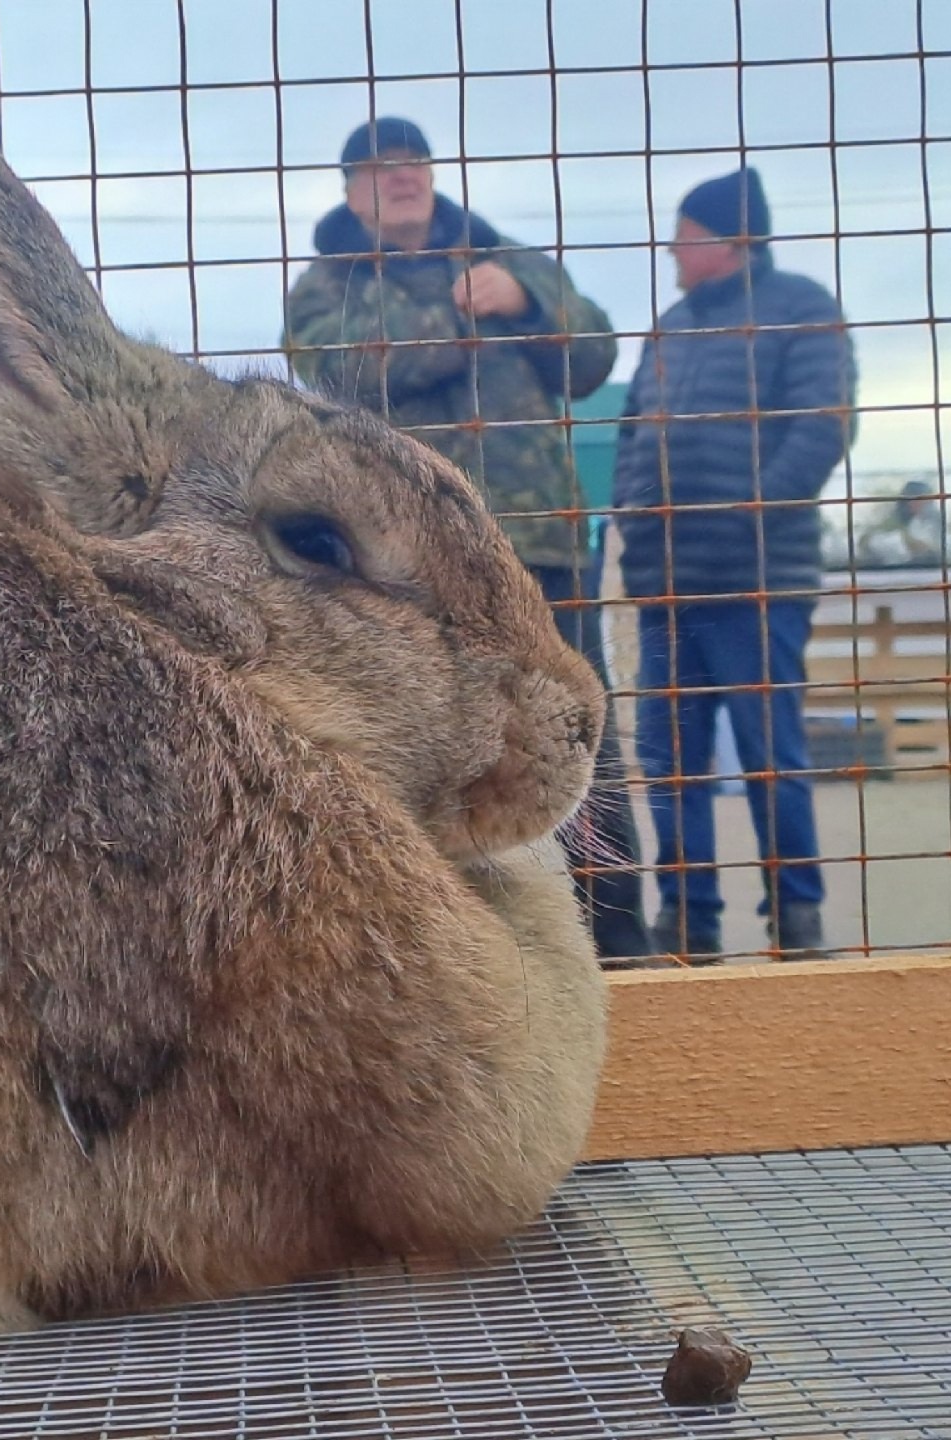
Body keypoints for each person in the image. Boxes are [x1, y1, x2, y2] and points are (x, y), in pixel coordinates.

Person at [282, 119, 654, 960]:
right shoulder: (329, 283)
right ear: (351, 189)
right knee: (430, 739)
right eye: (381, 168)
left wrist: (524, 303)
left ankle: (624, 939)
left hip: (543, 540)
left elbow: (593, 351)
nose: (403, 178)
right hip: (411, 568)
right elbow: (339, 368)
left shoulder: (507, 260)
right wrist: (458, 324)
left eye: (413, 163)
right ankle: (447, 951)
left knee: (577, 734)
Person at [613, 166, 856, 959]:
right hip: (666, 586)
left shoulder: (802, 311)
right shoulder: (670, 327)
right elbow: (630, 437)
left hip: (757, 582)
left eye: (683, 236)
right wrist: (634, 514)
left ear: (729, 240)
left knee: (769, 755)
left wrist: (749, 511)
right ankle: (689, 914)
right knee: (671, 761)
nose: (673, 252)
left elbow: (822, 430)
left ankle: (797, 914)